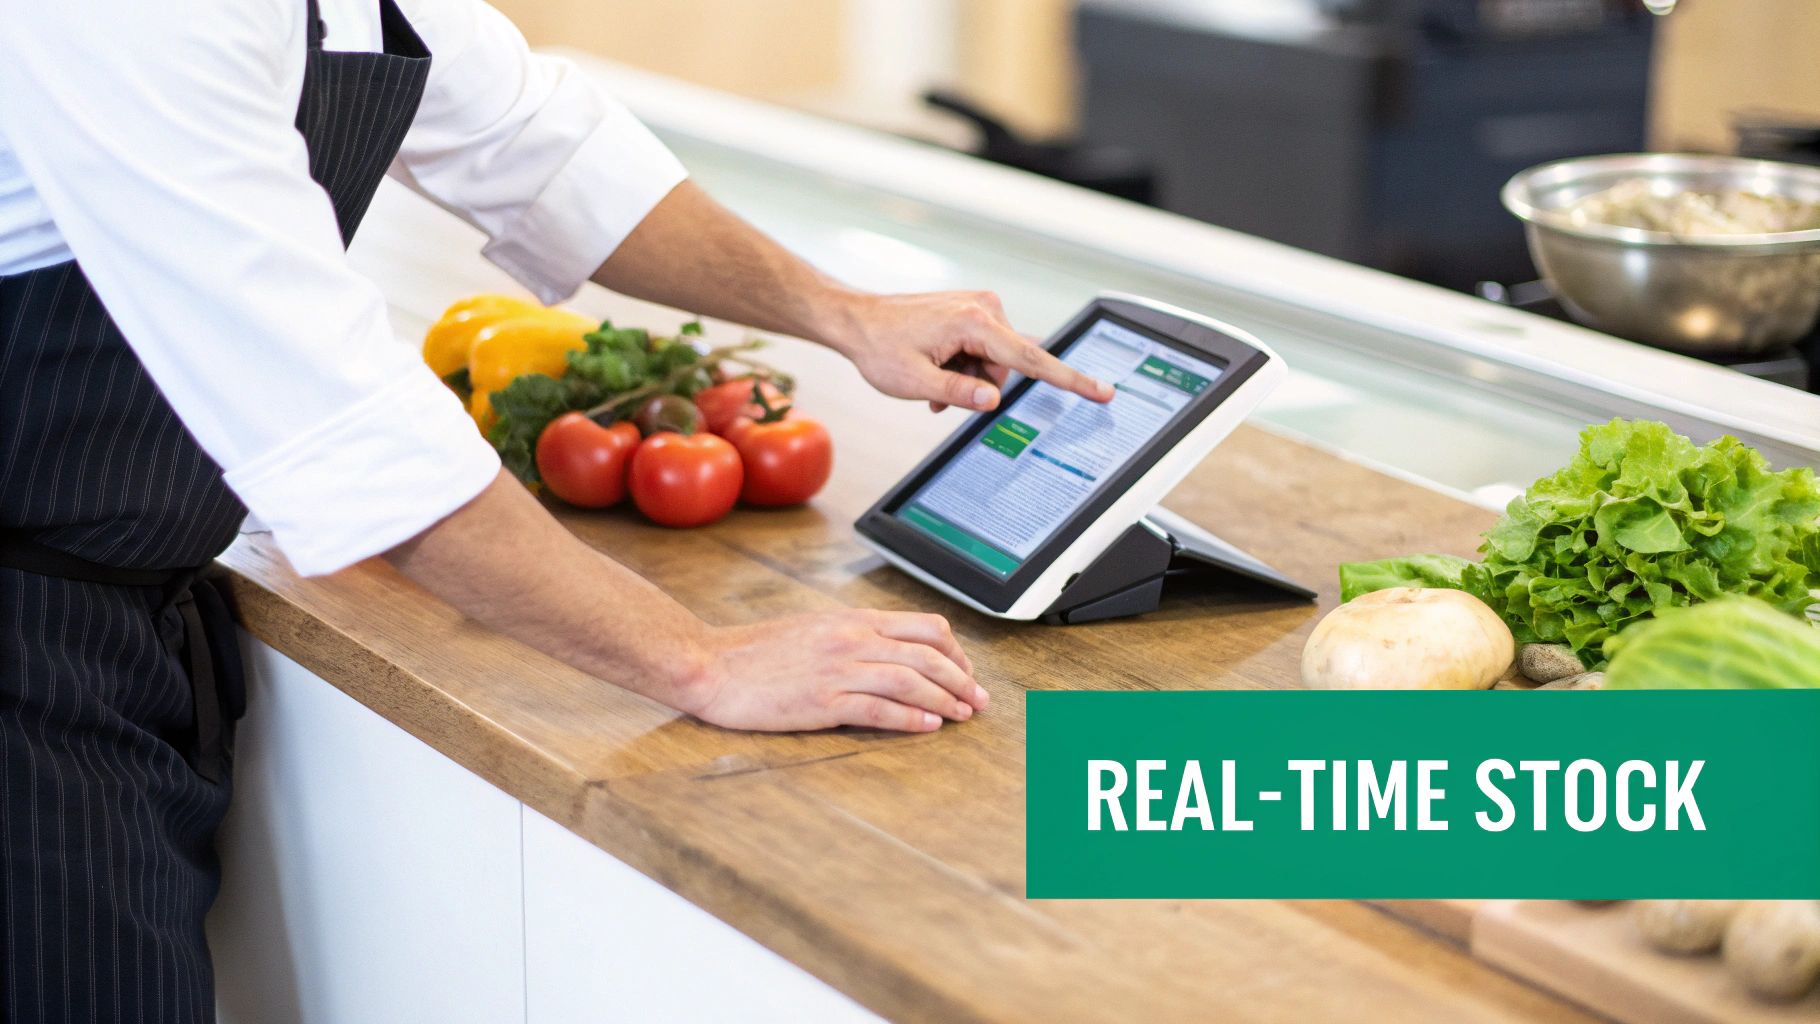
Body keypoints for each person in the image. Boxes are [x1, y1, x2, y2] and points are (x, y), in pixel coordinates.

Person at [0, 0, 1114, 1019]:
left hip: (110, 618)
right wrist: (699, 661)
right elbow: (344, 425)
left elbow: (543, 149)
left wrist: (845, 314)